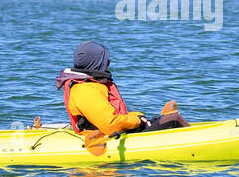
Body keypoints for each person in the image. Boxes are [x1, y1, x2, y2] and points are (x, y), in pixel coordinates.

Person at [55, 41, 189, 144]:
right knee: (173, 119)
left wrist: (138, 117)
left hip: (116, 132)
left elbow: (116, 116)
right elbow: (110, 124)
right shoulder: (85, 90)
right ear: (95, 63)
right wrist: (138, 122)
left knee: (156, 119)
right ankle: (193, 141)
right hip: (103, 139)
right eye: (105, 60)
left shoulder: (93, 84)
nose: (108, 63)